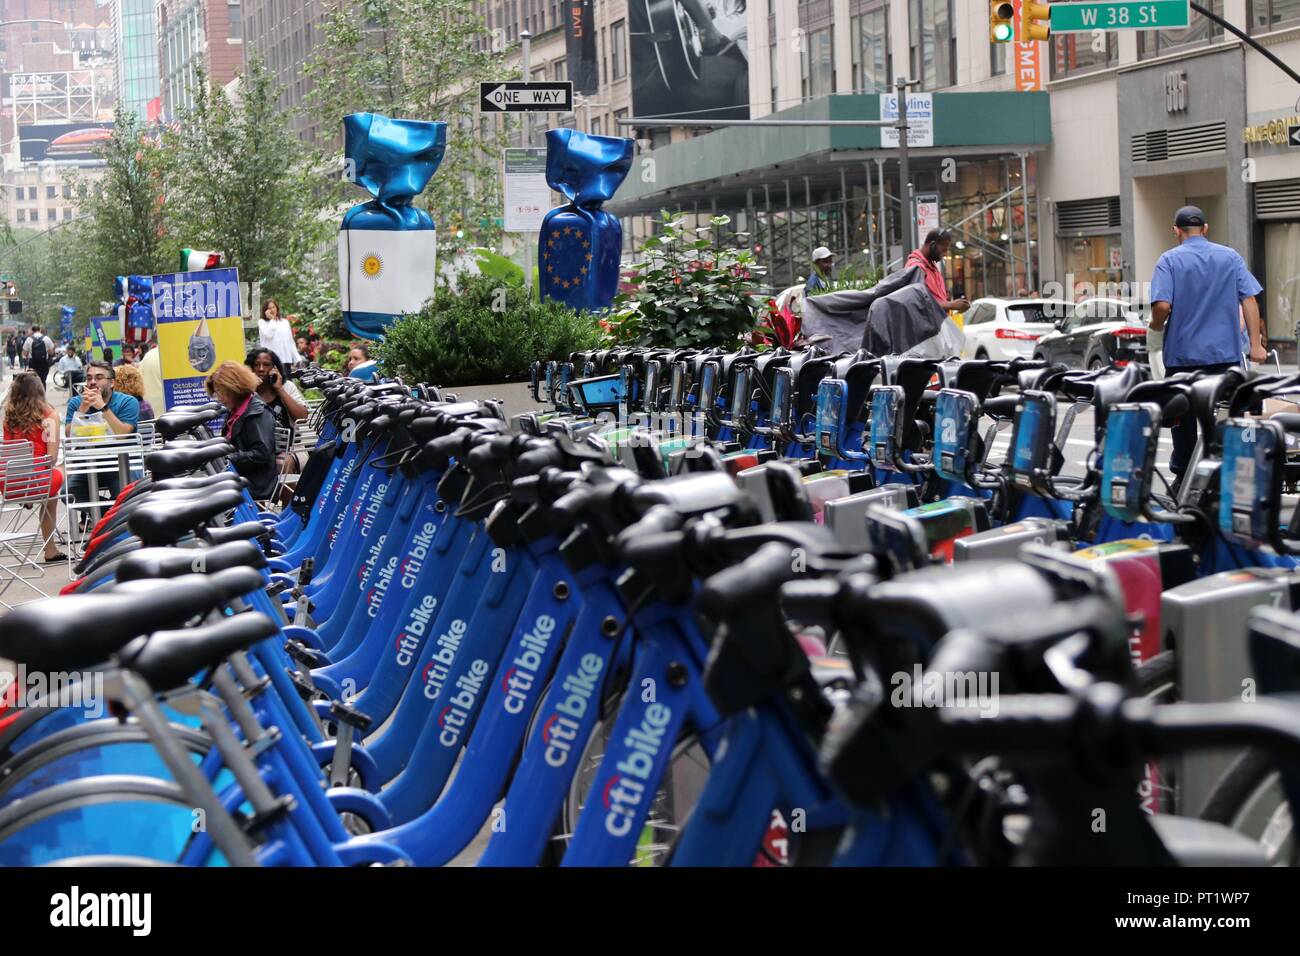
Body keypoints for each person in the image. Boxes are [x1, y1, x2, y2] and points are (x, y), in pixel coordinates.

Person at [1149, 205, 1266, 482]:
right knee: (1229, 417)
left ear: (1176, 230)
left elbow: (1163, 305)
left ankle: (1184, 476)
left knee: (1183, 421)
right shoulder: (1230, 257)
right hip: (1225, 361)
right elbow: (1248, 299)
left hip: (1183, 362)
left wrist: (1155, 325)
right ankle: (1224, 472)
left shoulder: (1169, 260)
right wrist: (1255, 345)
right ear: (1206, 228)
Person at [2, 372, 67, 563]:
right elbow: (52, 458)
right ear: (40, 390)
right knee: (64, 469)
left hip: (9, 482)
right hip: (38, 480)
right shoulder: (49, 416)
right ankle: (50, 549)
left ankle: (28, 499)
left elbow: (10, 453)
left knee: (49, 493)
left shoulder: (9, 419)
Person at [204, 361, 277, 500]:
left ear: (234, 388)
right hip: (239, 478)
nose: (219, 399)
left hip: (254, 484)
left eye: (221, 393)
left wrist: (228, 458)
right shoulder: (236, 410)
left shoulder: (256, 413)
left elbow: (262, 453)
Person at [905, 229, 970, 313]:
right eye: (943, 250)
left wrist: (946, 298)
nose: (945, 254)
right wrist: (950, 305)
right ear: (932, 245)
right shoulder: (916, 267)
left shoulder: (931, 266)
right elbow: (917, 303)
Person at [258, 298, 302, 367]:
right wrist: (272, 320)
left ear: (277, 308)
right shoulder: (262, 322)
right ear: (265, 311)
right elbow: (269, 335)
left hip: (286, 360)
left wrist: (297, 358)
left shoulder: (284, 322)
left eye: (273, 307)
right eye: (269, 308)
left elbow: (290, 341)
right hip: (271, 361)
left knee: (287, 377)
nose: (272, 310)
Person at [136, 342, 166, 416]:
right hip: (177, 414)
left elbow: (138, 380)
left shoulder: (148, 356)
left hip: (152, 412)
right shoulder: (182, 354)